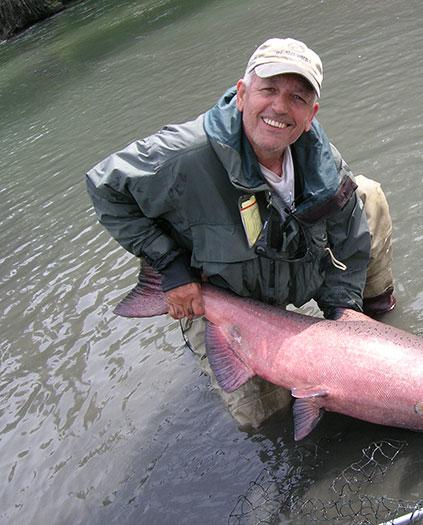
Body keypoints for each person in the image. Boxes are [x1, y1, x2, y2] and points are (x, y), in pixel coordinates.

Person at [86, 37, 395, 427]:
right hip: (224, 291)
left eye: (298, 98)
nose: (281, 108)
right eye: (269, 90)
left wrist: (343, 316)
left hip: (295, 271)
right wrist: (170, 267)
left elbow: (348, 243)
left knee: (366, 195)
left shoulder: (324, 163)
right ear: (242, 92)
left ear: (311, 113)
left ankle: (375, 311)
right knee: (264, 419)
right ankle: (206, 335)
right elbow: (105, 187)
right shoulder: (184, 154)